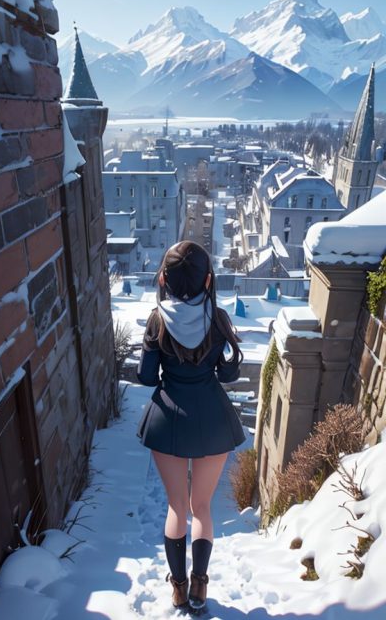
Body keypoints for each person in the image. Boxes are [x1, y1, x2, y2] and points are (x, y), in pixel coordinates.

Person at [137, 241, 245, 611]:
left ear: (164, 278)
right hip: (212, 419)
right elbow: (228, 374)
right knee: (202, 507)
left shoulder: (156, 320)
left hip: (168, 417)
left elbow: (148, 377)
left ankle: (178, 588)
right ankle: (200, 587)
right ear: (208, 280)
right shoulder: (218, 319)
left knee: (176, 506)